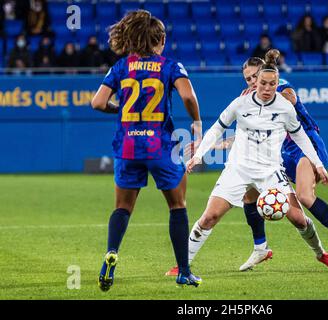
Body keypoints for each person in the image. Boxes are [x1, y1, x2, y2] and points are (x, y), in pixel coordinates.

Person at [170, 51, 328, 278]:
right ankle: (183, 264)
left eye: (259, 79)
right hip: (238, 169)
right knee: (209, 217)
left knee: (298, 218)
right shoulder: (241, 103)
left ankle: (321, 254)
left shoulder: (283, 103)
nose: (255, 83)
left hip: (271, 170)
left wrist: (317, 164)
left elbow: (300, 133)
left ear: (270, 79)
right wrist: (199, 154)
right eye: (250, 80)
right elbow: (217, 128)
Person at [91, 10, 203, 291]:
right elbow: (188, 95)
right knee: (177, 206)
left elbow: (97, 102)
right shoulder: (170, 65)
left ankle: (111, 254)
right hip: (159, 146)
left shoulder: (120, 67)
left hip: (128, 145)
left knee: (122, 207)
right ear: (161, 39)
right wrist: (197, 123)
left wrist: (120, 110)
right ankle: (184, 272)